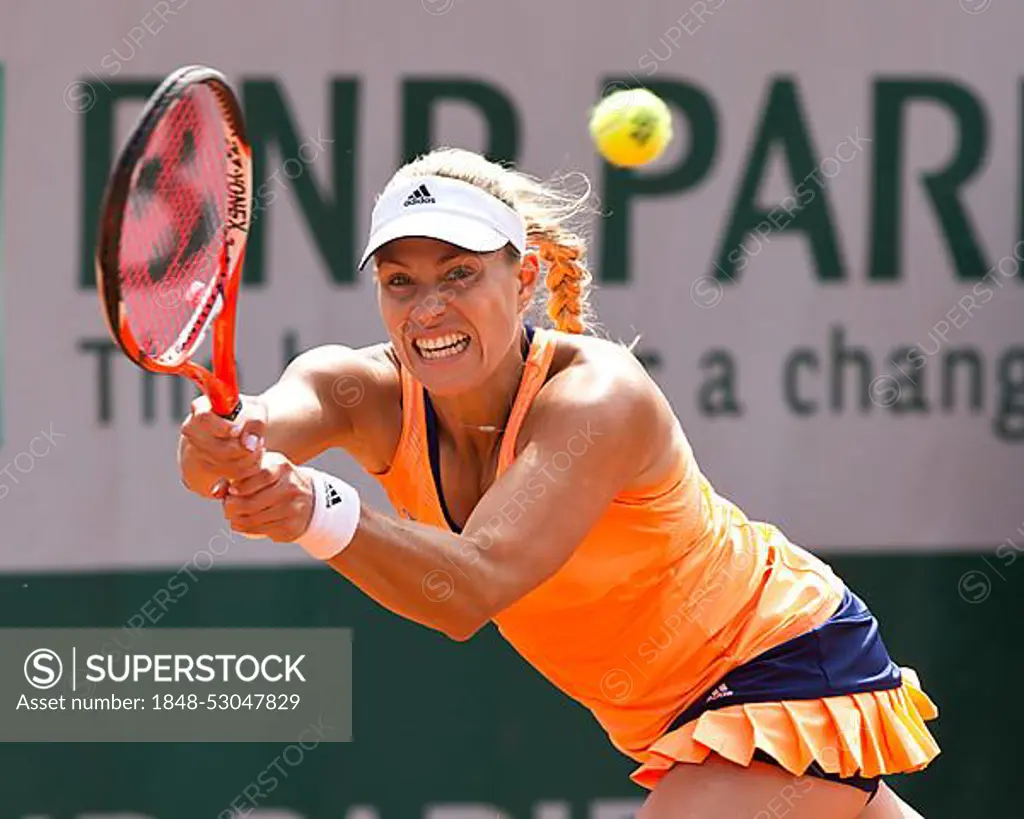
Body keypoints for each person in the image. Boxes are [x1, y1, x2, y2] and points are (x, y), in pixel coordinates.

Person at [178, 147, 939, 818]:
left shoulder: (597, 396)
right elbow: (230, 445)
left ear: (526, 277)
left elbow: (471, 588)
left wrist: (313, 508)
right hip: (682, 717)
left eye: (461, 273)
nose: (429, 306)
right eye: (400, 280)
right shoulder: (357, 388)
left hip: (781, 665)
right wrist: (227, 439)